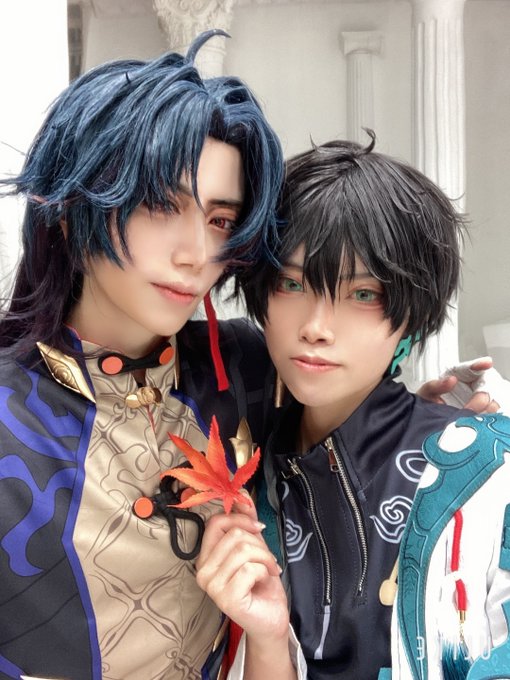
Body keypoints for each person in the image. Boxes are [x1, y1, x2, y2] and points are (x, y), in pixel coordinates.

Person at [0, 30, 284, 680]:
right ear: (69, 208)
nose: (196, 254)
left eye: (220, 220)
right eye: (161, 205)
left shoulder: (245, 369)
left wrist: (413, 413)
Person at [195, 136, 510, 680]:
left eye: (363, 294)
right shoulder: (250, 487)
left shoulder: (486, 471)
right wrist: (267, 639)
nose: (316, 327)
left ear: (412, 316)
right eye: (291, 283)